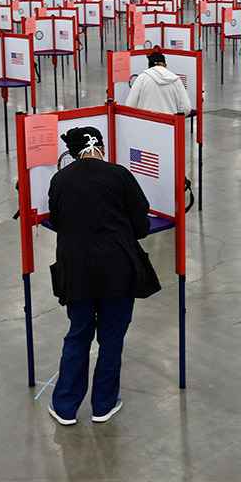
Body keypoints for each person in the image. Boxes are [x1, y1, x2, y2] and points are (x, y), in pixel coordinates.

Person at [47, 126, 159, 425]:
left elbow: (56, 221)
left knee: (78, 334)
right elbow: (141, 225)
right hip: (118, 271)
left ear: (71, 153)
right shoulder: (120, 175)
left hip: (77, 271)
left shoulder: (60, 180)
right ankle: (103, 405)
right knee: (112, 339)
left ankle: (65, 407)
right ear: (102, 148)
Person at [125, 51, 192, 116]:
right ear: (165, 65)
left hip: (145, 123)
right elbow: (186, 108)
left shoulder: (142, 78)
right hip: (170, 124)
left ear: (149, 66)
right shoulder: (176, 80)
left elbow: (129, 105)